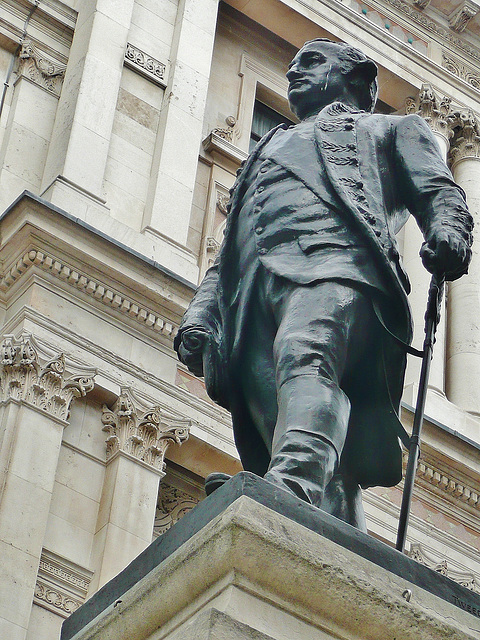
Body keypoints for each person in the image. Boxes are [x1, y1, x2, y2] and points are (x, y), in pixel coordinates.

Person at [174, 39, 473, 530]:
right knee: (277, 408)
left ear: (357, 80)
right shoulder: (265, 149)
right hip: (254, 289)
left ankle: (289, 484)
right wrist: (204, 311)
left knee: (305, 354)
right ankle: (330, 524)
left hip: (339, 268)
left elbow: (440, 191)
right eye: (291, 66)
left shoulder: (393, 128)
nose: (294, 73)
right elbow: (230, 245)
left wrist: (448, 230)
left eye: (312, 62)